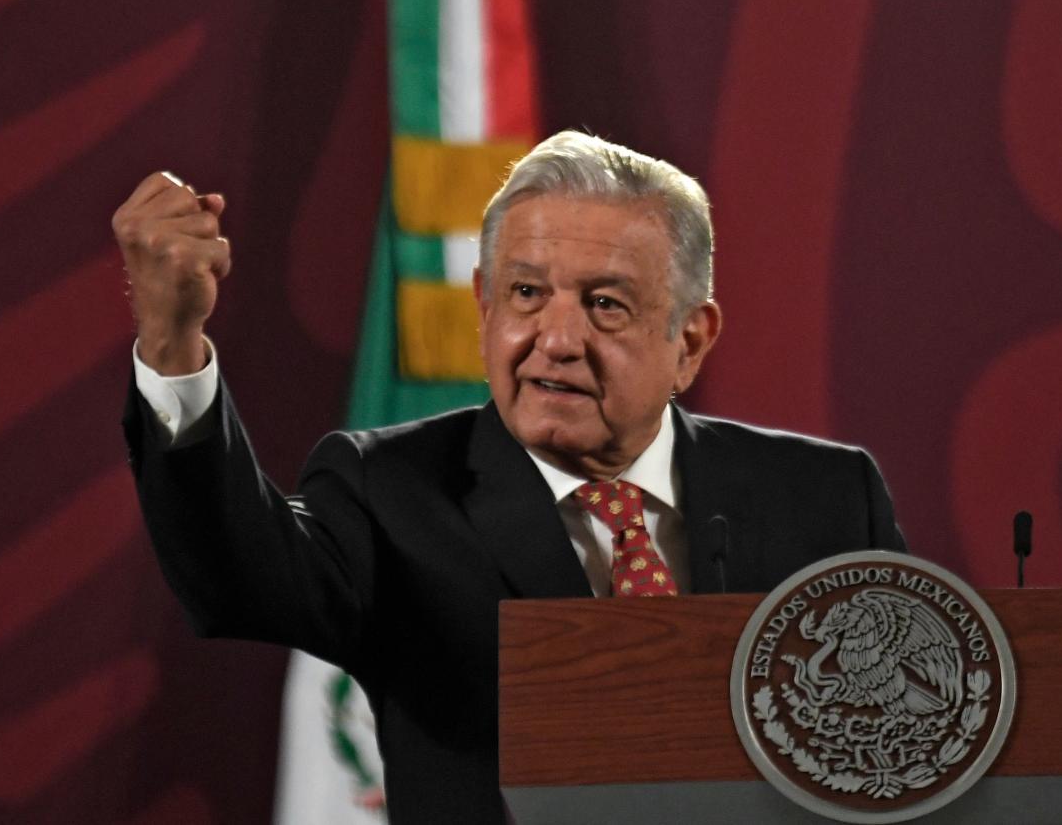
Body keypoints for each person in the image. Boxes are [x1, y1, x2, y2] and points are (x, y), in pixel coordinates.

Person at [115, 131, 905, 823]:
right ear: (486, 306)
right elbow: (234, 575)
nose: (555, 339)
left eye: (605, 304)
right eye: (526, 294)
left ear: (689, 341)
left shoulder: (825, 499)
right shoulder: (391, 492)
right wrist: (174, 344)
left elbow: (918, 745)